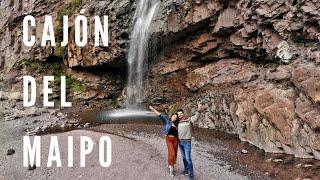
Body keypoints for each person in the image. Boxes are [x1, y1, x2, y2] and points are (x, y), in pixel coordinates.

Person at [149, 106, 179, 177]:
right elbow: (160, 115)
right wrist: (153, 109)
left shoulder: (178, 124)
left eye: (175, 117)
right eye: (173, 116)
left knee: (174, 154)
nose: (174, 118)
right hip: (168, 139)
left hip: (176, 140)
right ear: (171, 116)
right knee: (171, 152)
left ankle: (170, 164)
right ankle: (171, 170)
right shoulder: (167, 121)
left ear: (177, 119)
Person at [177, 103, 204, 180]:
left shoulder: (188, 119)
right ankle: (186, 170)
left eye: (181, 113)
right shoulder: (177, 122)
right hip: (180, 142)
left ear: (183, 113)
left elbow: (196, 117)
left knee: (188, 158)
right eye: (178, 114)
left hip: (187, 142)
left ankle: (191, 175)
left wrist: (199, 109)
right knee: (184, 157)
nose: (180, 115)